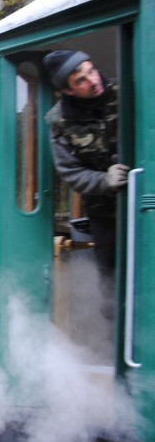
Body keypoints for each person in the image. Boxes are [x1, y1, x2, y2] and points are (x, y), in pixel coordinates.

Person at [43, 50, 130, 282]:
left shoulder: (125, 92)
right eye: (81, 80)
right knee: (109, 277)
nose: (93, 81)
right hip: (104, 212)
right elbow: (71, 172)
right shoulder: (59, 121)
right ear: (67, 91)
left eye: (91, 71)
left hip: (142, 199)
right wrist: (105, 181)